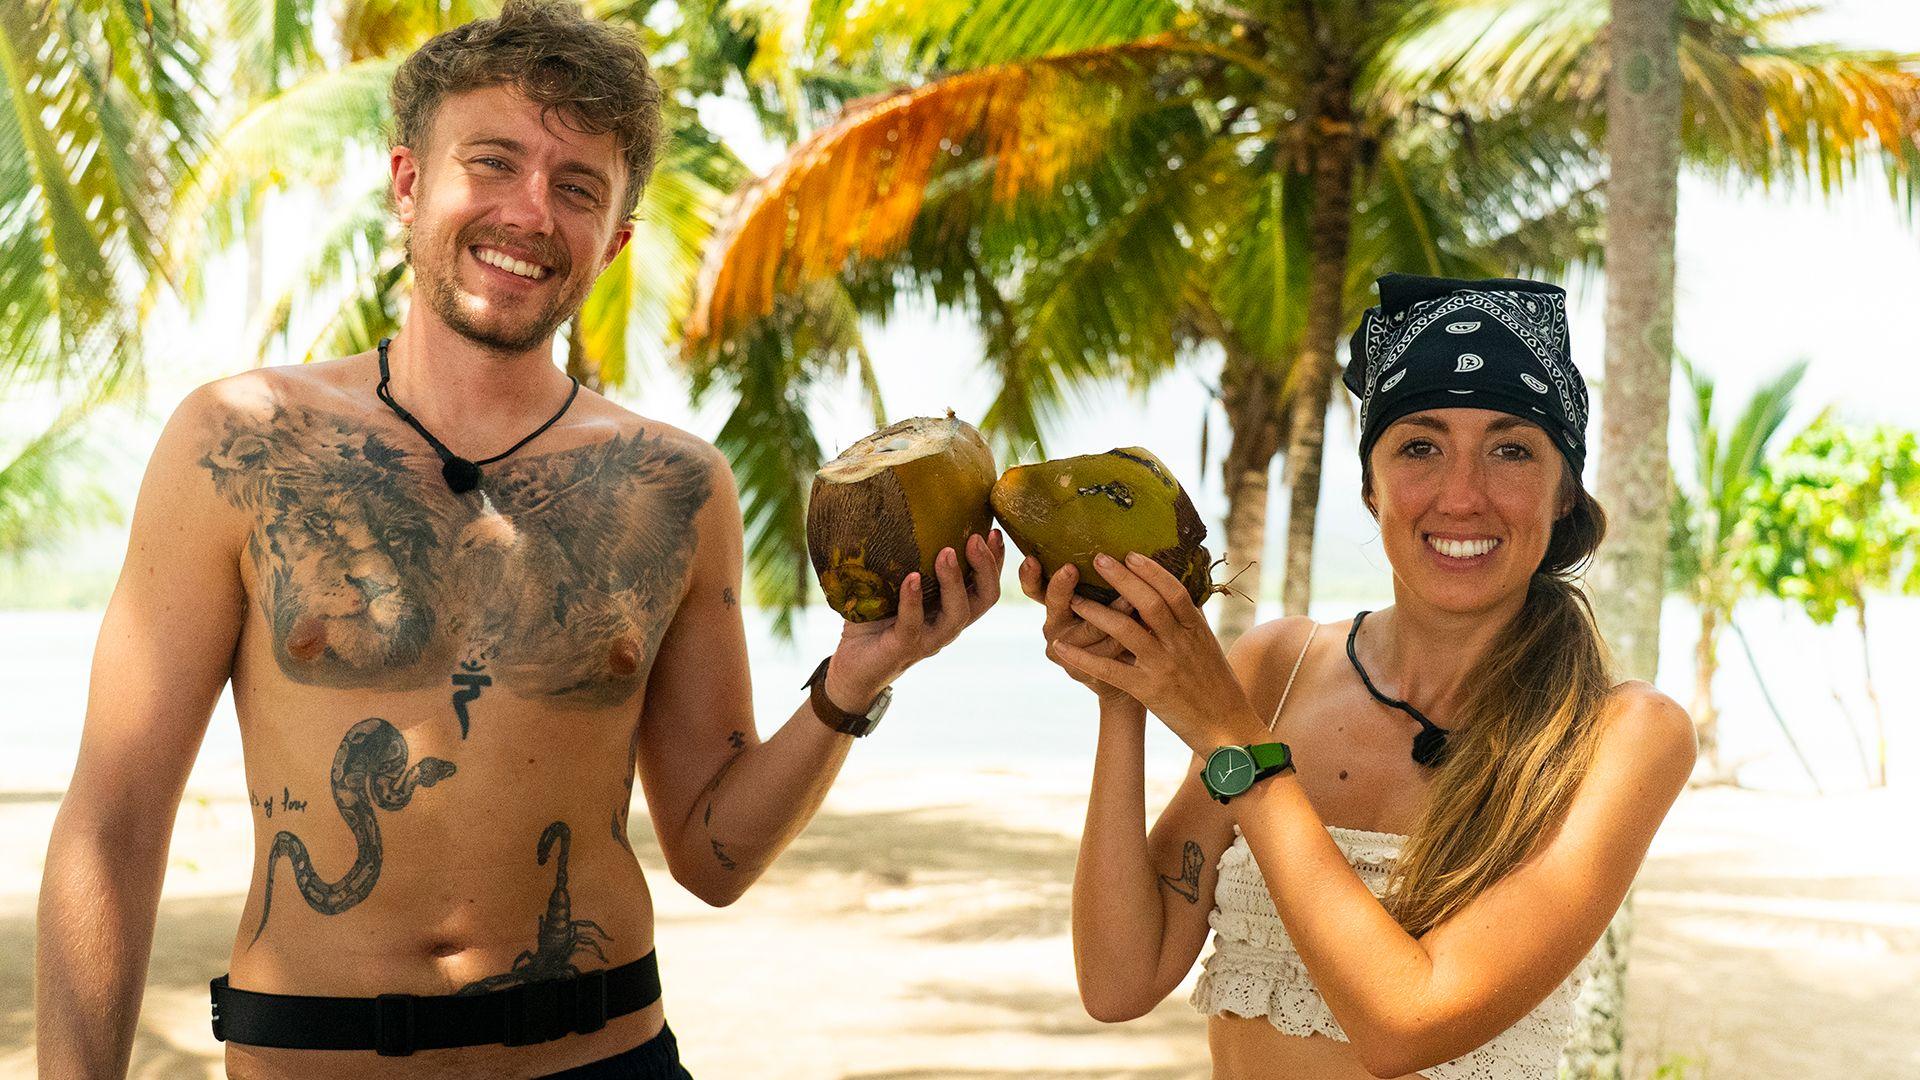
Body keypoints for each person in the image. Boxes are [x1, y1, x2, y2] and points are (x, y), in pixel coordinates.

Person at [34, 3, 1004, 1076]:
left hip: (608, 1059)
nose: (530, 213)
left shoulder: (677, 486)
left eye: (577, 187)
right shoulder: (243, 442)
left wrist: (856, 678)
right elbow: (113, 823)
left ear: (617, 238)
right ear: (409, 183)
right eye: (492, 163)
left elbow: (714, 858)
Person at [1024, 273, 1697, 1079]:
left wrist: (1234, 741)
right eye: (1420, 446)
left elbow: (1406, 1025)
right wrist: (1124, 699)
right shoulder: (1277, 669)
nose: (1462, 495)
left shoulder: (1620, 736)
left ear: (1562, 496)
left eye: (1511, 449)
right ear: (1371, 489)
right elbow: (1119, 979)